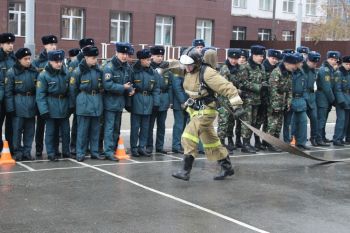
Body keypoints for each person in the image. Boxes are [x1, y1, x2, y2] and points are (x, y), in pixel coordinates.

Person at [172, 46, 243, 181]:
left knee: (188, 136)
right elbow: (176, 66)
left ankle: (185, 171)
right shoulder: (189, 69)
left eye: (190, 65)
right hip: (195, 111)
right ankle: (227, 167)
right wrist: (164, 65)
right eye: (185, 65)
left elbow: (227, 87)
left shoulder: (208, 73)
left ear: (197, 62)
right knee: (211, 142)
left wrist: (237, 106)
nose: (186, 68)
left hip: (205, 112)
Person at [70, 46, 106, 162]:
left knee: (95, 130)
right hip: (84, 102)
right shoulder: (78, 71)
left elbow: (103, 85)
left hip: (96, 101)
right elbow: (73, 89)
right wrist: (78, 102)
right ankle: (80, 152)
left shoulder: (99, 70)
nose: (95, 60)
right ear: (85, 57)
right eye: (93, 58)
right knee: (82, 131)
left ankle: (94, 152)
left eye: (96, 58)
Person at [36, 50, 71, 161]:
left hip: (64, 106)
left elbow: (70, 91)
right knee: (51, 132)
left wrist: (71, 106)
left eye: (60, 61)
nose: (59, 63)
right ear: (50, 61)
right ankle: (51, 153)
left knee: (65, 132)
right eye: (56, 61)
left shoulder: (65, 73)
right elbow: (40, 95)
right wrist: (44, 110)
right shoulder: (43, 75)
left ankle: (66, 151)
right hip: (51, 106)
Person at [5, 48, 38, 161]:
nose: (29, 61)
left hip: (31, 104)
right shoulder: (11, 72)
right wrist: (10, 108)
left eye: (29, 58)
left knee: (30, 131)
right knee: (17, 131)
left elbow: (38, 90)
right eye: (26, 59)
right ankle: (17, 152)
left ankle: (27, 152)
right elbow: (8, 92)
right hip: (18, 104)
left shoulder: (34, 71)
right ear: (19, 60)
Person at [102, 42, 133, 161]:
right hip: (110, 103)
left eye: (126, 53)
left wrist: (130, 89)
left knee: (116, 128)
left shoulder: (127, 67)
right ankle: (108, 151)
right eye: (122, 53)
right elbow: (107, 85)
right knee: (109, 128)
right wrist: (123, 87)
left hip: (120, 103)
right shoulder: (109, 67)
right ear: (116, 53)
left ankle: (114, 148)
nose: (124, 56)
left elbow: (128, 83)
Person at [236, 45, 267, 153]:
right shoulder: (245, 67)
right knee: (247, 122)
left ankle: (249, 142)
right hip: (247, 100)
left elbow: (263, 79)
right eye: (260, 56)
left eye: (262, 56)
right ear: (253, 55)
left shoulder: (261, 67)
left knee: (253, 122)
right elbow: (243, 83)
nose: (262, 58)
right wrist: (258, 87)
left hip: (257, 100)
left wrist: (264, 85)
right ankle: (245, 144)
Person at [129, 49, 160, 157]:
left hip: (149, 101)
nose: (149, 62)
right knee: (135, 127)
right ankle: (134, 148)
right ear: (141, 60)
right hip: (137, 99)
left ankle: (142, 147)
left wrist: (156, 103)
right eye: (147, 60)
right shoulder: (133, 70)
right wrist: (129, 103)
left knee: (145, 127)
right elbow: (129, 85)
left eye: (149, 60)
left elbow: (156, 88)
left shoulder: (153, 72)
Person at [32, 35, 58, 159]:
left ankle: (53, 149)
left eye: (54, 44)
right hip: (42, 97)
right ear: (45, 46)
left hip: (55, 98)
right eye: (50, 44)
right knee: (41, 125)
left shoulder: (59, 59)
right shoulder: (38, 61)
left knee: (53, 125)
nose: (53, 46)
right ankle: (38, 149)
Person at [68, 38, 95, 156]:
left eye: (91, 46)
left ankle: (86, 146)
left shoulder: (92, 61)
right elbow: (71, 82)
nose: (90, 48)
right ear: (82, 49)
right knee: (77, 125)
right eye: (87, 47)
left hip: (90, 100)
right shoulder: (75, 62)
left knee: (88, 125)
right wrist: (74, 101)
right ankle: (74, 145)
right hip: (79, 98)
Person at [266, 54, 297, 152]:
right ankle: (270, 144)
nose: (294, 67)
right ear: (287, 64)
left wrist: (288, 103)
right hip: (275, 104)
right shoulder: (277, 72)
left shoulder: (288, 73)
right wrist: (275, 105)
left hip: (282, 103)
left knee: (278, 125)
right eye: (293, 64)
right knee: (272, 125)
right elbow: (273, 90)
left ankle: (276, 143)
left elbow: (290, 90)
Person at [146, 46, 173, 154]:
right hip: (152, 100)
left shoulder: (166, 69)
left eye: (161, 56)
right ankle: (149, 146)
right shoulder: (149, 68)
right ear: (152, 56)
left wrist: (170, 101)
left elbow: (170, 85)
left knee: (161, 125)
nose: (160, 58)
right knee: (150, 125)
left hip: (164, 99)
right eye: (158, 56)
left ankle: (159, 146)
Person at [217, 48, 241, 153]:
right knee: (223, 121)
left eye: (236, 58)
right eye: (232, 58)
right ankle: (221, 143)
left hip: (234, 98)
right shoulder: (224, 68)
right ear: (228, 57)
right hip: (224, 99)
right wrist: (237, 90)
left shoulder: (239, 68)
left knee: (231, 121)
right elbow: (225, 85)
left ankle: (230, 140)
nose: (233, 61)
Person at [257, 49, 281, 150]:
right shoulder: (263, 67)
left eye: (276, 59)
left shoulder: (278, 69)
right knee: (259, 122)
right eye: (273, 58)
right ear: (268, 57)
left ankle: (266, 142)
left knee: (269, 123)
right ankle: (257, 141)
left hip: (272, 100)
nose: (274, 60)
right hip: (262, 99)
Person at [316, 51, 340, 146]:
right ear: (327, 59)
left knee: (324, 119)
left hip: (327, 98)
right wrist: (333, 100)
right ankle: (318, 139)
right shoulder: (325, 70)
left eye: (335, 60)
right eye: (331, 59)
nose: (333, 61)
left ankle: (322, 137)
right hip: (323, 97)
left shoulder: (331, 70)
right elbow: (327, 87)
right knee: (321, 119)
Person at [0, 32, 16, 153]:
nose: (11, 46)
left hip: (10, 97)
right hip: (1, 97)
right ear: (1, 44)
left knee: (11, 125)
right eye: (8, 43)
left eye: (12, 43)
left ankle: (11, 148)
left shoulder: (14, 59)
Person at [291, 53, 310, 150]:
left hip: (301, 100)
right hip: (291, 99)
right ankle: (290, 141)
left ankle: (301, 143)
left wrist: (305, 98)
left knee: (303, 121)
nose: (302, 64)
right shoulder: (290, 72)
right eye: (300, 62)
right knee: (292, 123)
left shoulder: (302, 72)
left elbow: (305, 87)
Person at [302, 52, 321, 146]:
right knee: (302, 121)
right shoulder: (302, 69)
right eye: (313, 62)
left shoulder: (314, 71)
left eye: (316, 63)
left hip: (312, 97)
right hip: (303, 96)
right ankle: (301, 139)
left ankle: (313, 138)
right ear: (308, 60)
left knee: (314, 119)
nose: (315, 64)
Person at [333, 56, 350, 146]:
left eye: (349, 64)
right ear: (343, 64)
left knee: (347, 121)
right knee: (341, 120)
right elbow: (337, 89)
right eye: (346, 64)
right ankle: (337, 138)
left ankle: (342, 137)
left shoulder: (348, 73)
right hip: (342, 99)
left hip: (348, 98)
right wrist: (341, 101)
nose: (348, 66)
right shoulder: (339, 73)